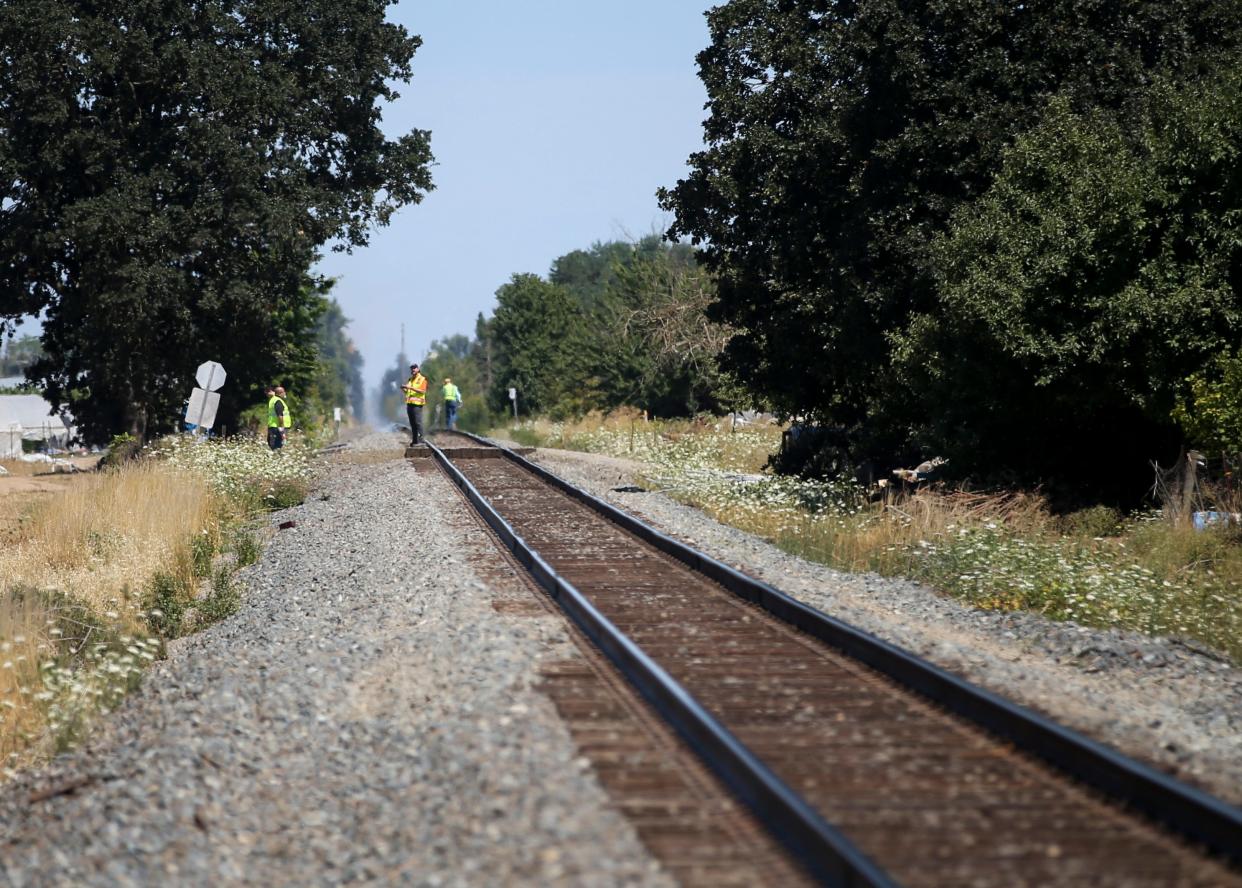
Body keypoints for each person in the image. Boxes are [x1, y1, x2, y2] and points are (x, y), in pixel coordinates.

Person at [401, 363, 428, 444]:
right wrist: (404, 389)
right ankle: (415, 441)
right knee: (412, 423)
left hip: (417, 404)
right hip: (410, 404)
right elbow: (408, 392)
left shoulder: (422, 379)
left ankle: (421, 440)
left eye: (414, 368)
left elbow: (423, 391)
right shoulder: (410, 380)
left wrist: (410, 387)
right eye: (412, 368)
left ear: (418, 369)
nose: (413, 369)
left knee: (418, 422)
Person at [266, 385, 290, 450]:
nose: (285, 393)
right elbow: (280, 415)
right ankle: (277, 458)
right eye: (284, 392)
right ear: (280, 393)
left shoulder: (272, 400)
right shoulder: (278, 401)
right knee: (278, 447)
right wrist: (281, 428)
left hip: (273, 426)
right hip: (278, 428)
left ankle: (275, 457)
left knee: (273, 446)